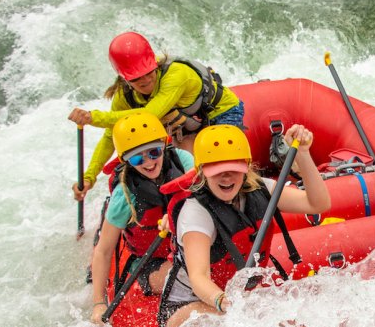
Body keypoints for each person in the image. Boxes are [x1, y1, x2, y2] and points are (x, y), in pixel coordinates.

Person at [159, 124, 329, 327]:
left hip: (239, 297)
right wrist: (225, 302)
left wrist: (303, 155)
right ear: (202, 172)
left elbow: (318, 204)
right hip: (190, 306)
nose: (226, 177)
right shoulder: (195, 213)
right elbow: (199, 277)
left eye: (233, 170)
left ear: (246, 167)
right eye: (217, 171)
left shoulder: (262, 189)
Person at [69, 31, 245, 200]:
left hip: (221, 112)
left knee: (217, 161)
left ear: (154, 64)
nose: (145, 80)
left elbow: (151, 114)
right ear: (125, 79)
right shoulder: (124, 95)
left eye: (148, 72)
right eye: (137, 78)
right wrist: (89, 177)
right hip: (186, 125)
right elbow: (110, 136)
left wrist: (94, 118)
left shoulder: (176, 75)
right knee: (187, 170)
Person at [88, 112, 195, 325]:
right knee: (189, 281)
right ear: (126, 160)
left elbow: (204, 193)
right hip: (152, 262)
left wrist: (175, 214)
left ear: (164, 145)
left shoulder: (183, 161)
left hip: (192, 244)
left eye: (154, 152)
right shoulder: (125, 195)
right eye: (138, 158)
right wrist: (99, 303)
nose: (148, 162)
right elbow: (104, 250)